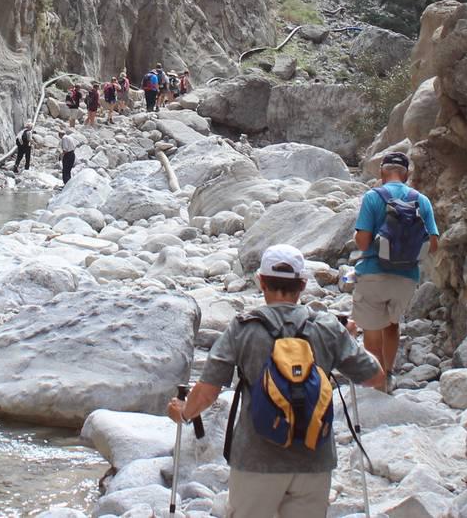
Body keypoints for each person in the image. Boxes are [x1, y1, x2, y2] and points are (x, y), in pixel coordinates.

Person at [167, 244, 385, 518]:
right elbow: (375, 376)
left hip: (256, 460)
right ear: (303, 284)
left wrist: (184, 412)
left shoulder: (243, 328)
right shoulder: (327, 327)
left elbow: (208, 391)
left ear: (261, 282)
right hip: (314, 460)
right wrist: (348, 339)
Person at [351, 152, 440, 384]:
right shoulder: (422, 200)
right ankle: (388, 373)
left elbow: (362, 241)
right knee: (392, 324)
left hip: (373, 273)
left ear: (382, 172)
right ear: (407, 174)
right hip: (406, 277)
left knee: (371, 329)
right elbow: (433, 244)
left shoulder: (372, 197)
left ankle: (376, 380)